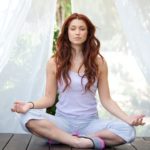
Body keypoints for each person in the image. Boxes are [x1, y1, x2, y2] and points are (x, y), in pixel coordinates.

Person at [11, 13, 145, 149]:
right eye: (73, 28)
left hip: (90, 124)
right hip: (62, 122)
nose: (77, 32)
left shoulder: (99, 63)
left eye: (82, 29)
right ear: (66, 32)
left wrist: (128, 119)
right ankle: (77, 141)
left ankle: (66, 138)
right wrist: (29, 105)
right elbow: (49, 99)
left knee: (128, 130)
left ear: (88, 33)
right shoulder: (54, 62)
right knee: (25, 117)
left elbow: (107, 100)